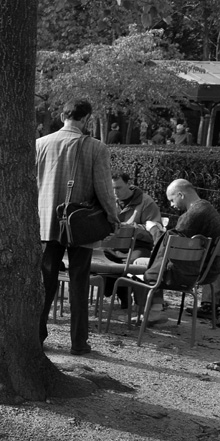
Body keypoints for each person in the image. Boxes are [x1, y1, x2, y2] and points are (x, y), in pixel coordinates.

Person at [37, 99, 119, 356]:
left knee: (45, 282)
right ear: (87, 119)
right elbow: (105, 188)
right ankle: (78, 342)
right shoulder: (96, 148)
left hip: (47, 222)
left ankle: (37, 335)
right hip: (80, 224)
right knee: (79, 282)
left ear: (63, 115)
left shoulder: (40, 144)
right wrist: (113, 216)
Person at [135, 180, 220, 325]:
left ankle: (151, 312)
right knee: (153, 263)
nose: (171, 205)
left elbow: (168, 246)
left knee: (139, 263)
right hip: (207, 271)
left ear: (181, 195)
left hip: (186, 273)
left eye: (172, 200)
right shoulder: (209, 210)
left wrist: (153, 229)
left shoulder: (193, 215)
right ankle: (154, 309)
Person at [101, 172, 164, 309]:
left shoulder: (146, 202)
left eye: (118, 188)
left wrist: (131, 229)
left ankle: (139, 303)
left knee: (131, 263)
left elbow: (154, 231)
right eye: (111, 188)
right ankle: (121, 294)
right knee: (98, 260)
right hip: (112, 246)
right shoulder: (107, 200)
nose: (114, 192)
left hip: (137, 246)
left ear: (129, 185)